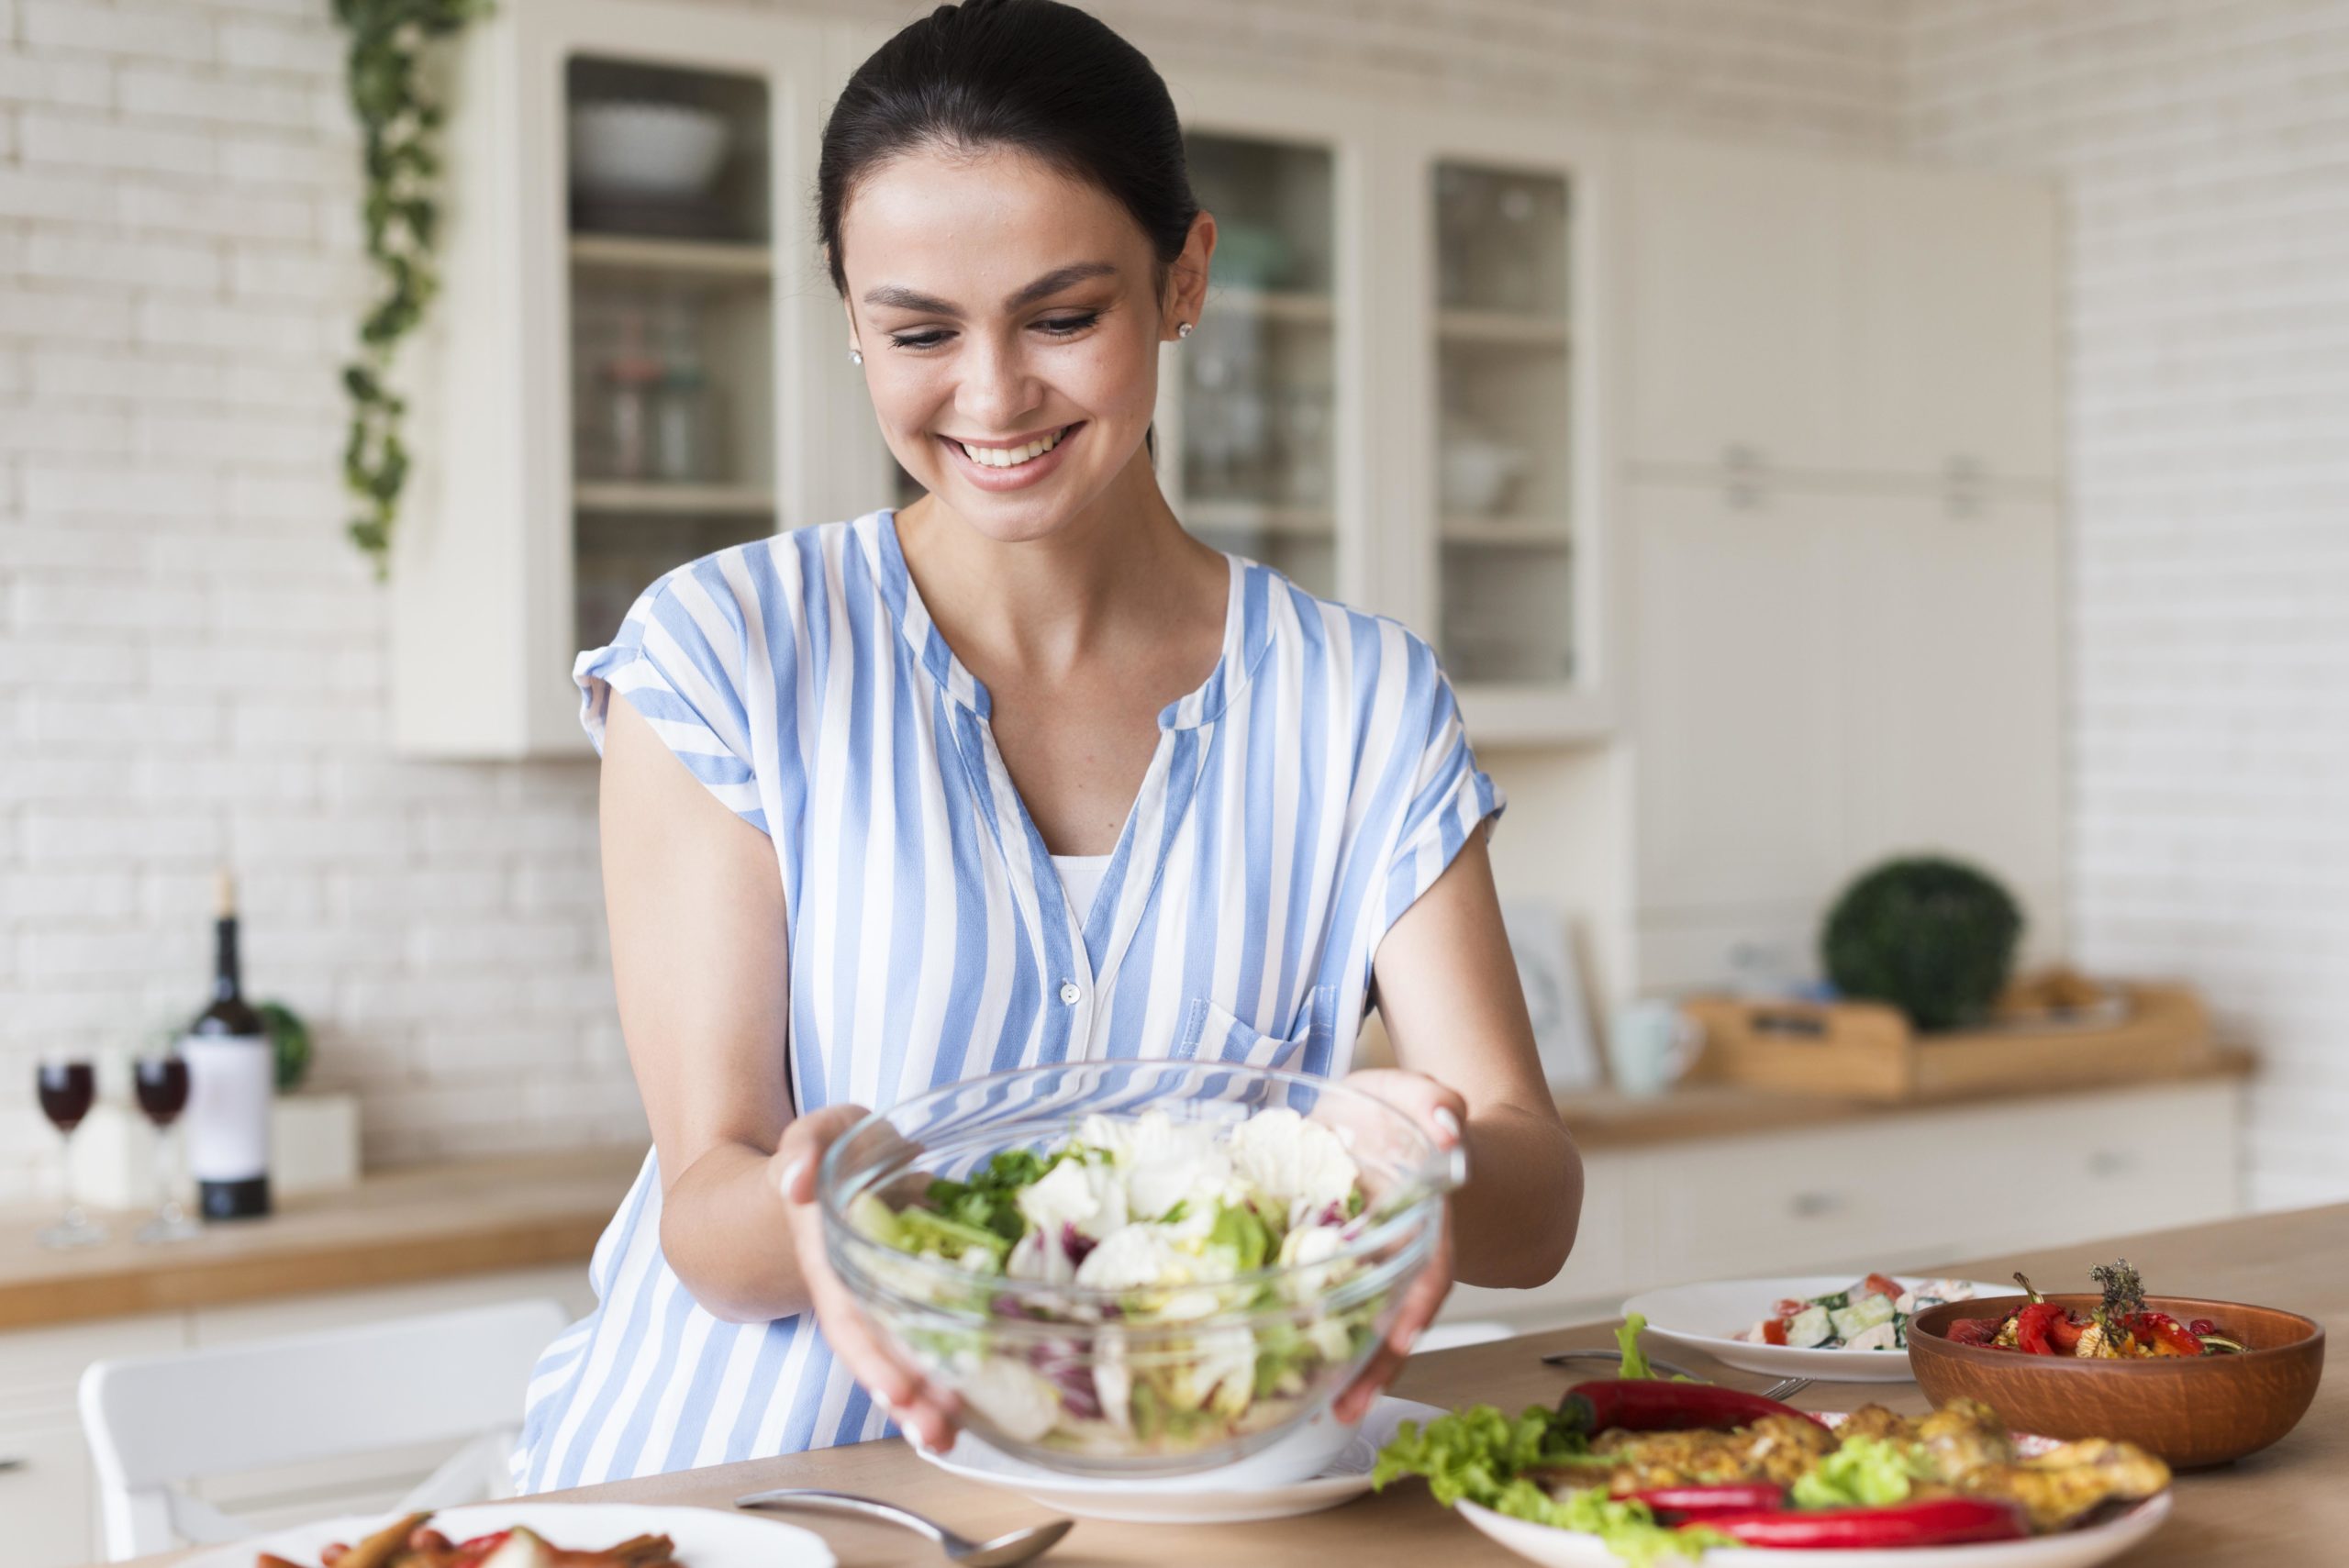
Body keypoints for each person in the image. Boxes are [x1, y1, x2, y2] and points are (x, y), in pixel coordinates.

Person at [513, 0, 1581, 1492]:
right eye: (918, 331)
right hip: (752, 1492)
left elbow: (1535, 1203)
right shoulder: (730, 649)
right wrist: (824, 1217)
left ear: (1183, 277)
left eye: (1064, 316)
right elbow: (712, 1208)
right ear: (850, 314)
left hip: (1184, 1510)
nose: (994, 395)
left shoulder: (1358, 700)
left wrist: (1418, 1160)